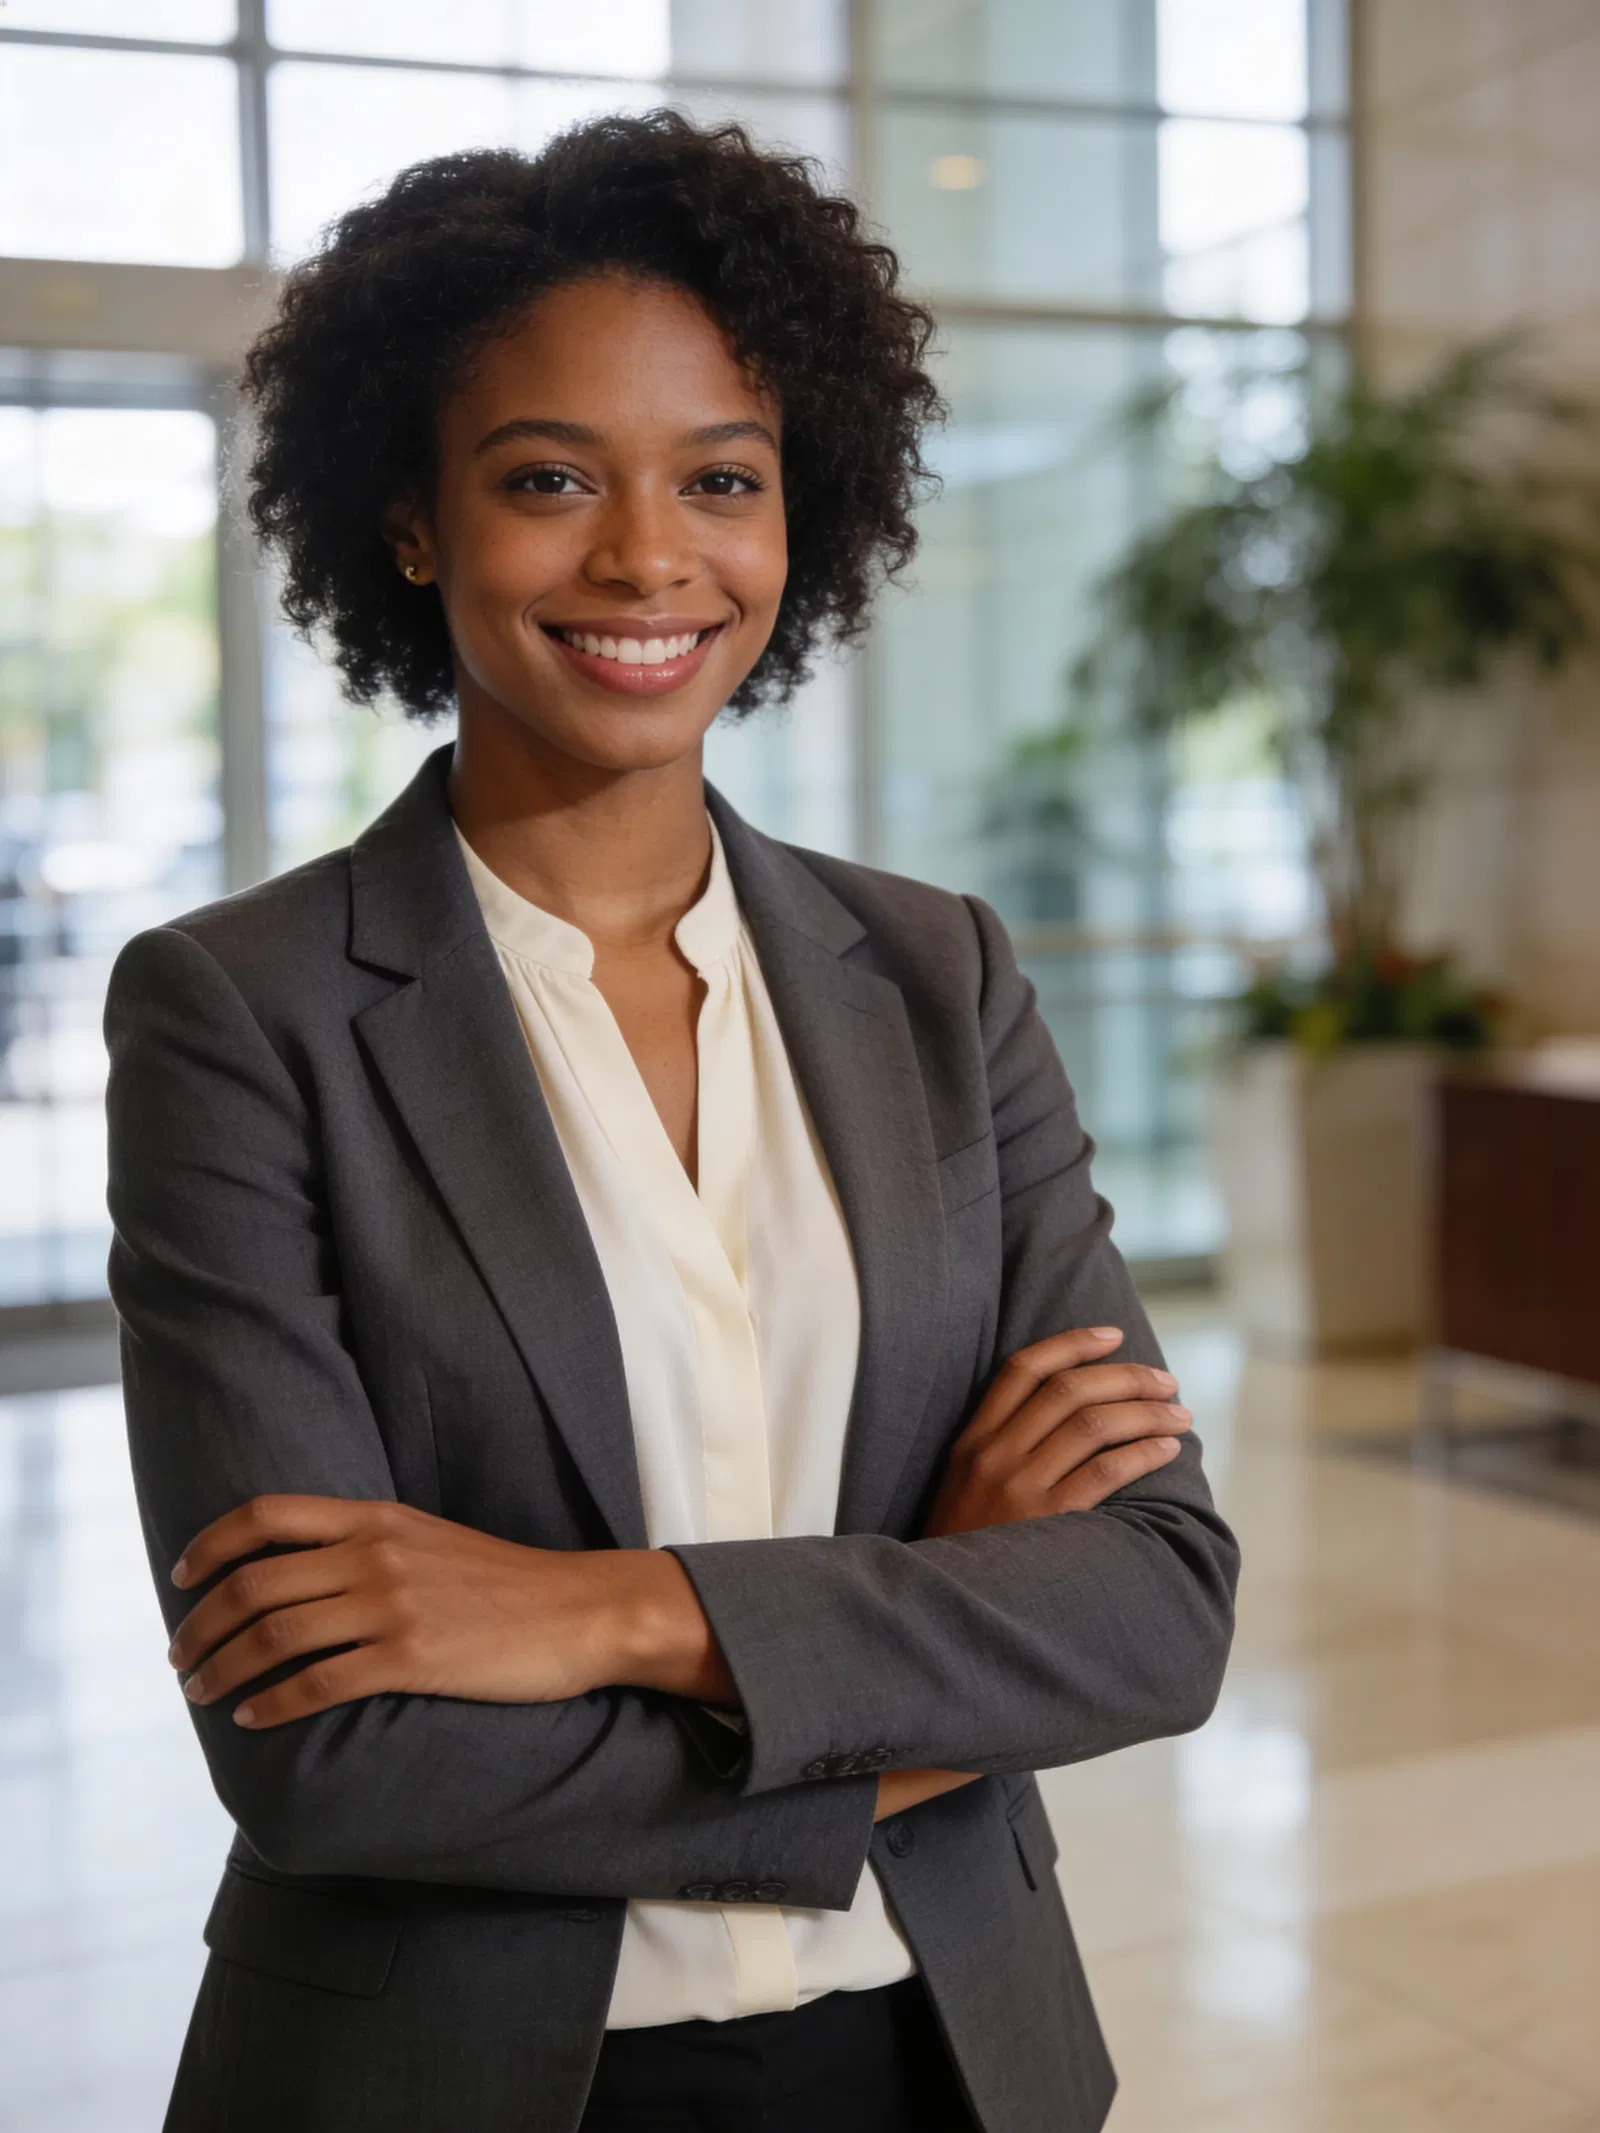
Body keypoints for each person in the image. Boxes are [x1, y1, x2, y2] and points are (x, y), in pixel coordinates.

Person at [104, 113, 1238, 2133]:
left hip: (942, 2048)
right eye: (549, 478)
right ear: (414, 519)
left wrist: (602, 1609)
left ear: (804, 512)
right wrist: (921, 1638)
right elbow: (332, 1754)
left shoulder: (939, 977)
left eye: (720, 477)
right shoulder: (237, 1014)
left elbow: (1150, 1605)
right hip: (450, 2075)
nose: (647, 558)